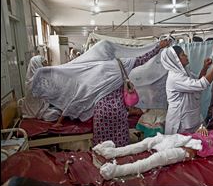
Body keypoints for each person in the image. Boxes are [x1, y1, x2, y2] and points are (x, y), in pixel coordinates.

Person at [33, 39, 171, 147]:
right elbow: (143, 58)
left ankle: (103, 165)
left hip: (101, 112)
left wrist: (60, 120)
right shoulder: (121, 64)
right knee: (120, 143)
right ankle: (120, 165)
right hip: (118, 110)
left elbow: (79, 92)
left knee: (103, 145)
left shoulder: (94, 68)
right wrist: (158, 46)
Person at [93, 125, 213, 181]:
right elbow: (200, 132)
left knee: (156, 159)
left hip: (186, 150)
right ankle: (111, 152)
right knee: (146, 142)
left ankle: (118, 171)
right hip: (178, 138)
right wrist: (202, 128)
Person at [160, 46, 213, 134]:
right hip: (180, 122)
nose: (186, 56)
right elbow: (200, 85)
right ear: (176, 60)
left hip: (191, 117)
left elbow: (197, 81)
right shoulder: (175, 77)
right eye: (183, 55)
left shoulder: (184, 71)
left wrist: (205, 67)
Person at [22, 55, 61, 121]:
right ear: (37, 64)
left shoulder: (38, 78)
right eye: (44, 63)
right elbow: (46, 94)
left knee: (60, 107)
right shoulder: (32, 82)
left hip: (43, 104)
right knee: (55, 114)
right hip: (36, 109)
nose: (46, 65)